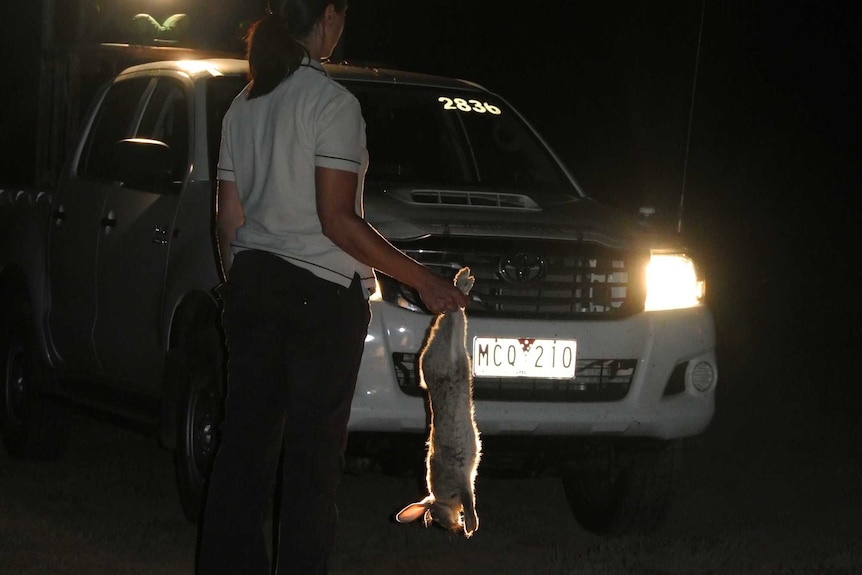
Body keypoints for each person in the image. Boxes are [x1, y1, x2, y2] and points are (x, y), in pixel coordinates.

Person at [196, 1, 469, 573]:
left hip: (253, 288)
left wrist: (235, 286)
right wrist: (424, 282)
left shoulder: (243, 107)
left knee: (242, 457)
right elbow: (337, 219)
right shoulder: (332, 104)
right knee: (311, 469)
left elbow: (228, 218)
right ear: (327, 18)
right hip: (318, 299)